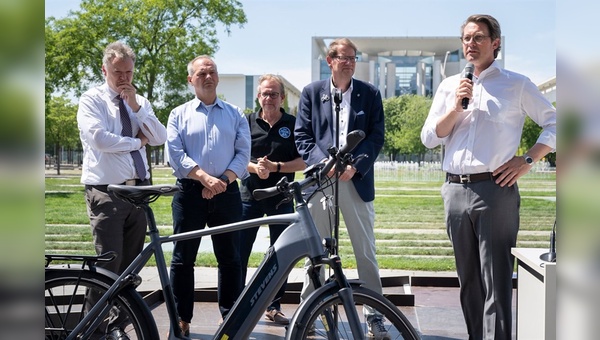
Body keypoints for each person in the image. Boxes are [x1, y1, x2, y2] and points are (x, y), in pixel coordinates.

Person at [420, 14, 556, 340]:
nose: (471, 44)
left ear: (496, 43)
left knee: (496, 282)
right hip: (454, 190)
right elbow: (429, 137)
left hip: (496, 190)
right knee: (468, 282)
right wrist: (456, 108)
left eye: (479, 37)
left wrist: (527, 159)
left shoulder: (516, 83)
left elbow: (556, 122)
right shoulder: (450, 85)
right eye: (466, 38)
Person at [294, 38, 388, 338]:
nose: (348, 62)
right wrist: (325, 163)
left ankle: (375, 318)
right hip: (321, 182)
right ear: (329, 61)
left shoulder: (369, 93)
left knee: (365, 251)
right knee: (316, 251)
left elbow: (376, 136)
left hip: (355, 181)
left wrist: (355, 165)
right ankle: (308, 314)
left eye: (353, 58)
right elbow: (303, 136)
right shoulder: (311, 93)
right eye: (342, 57)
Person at [77, 41, 167, 338]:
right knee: (107, 269)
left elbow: (159, 136)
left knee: (129, 273)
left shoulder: (138, 102)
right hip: (106, 192)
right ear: (105, 70)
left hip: (137, 195)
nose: (124, 78)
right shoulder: (92, 100)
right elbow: (100, 140)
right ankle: (91, 332)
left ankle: (116, 326)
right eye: (117, 72)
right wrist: (135, 142)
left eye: (128, 71)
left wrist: (136, 108)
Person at [166, 55, 251, 336]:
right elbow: (175, 154)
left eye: (212, 71)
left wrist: (223, 180)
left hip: (227, 193)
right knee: (182, 259)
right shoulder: (178, 114)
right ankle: (181, 318)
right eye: (201, 73)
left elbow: (243, 153)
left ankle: (229, 316)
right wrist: (203, 177)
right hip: (190, 193)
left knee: (230, 259)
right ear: (191, 79)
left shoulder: (235, 113)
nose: (208, 76)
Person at [239, 74, 306, 325]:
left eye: (274, 94)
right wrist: (257, 168)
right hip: (250, 196)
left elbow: (304, 160)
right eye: (265, 93)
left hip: (282, 197)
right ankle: (238, 303)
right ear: (258, 96)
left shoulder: (294, 123)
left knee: (280, 253)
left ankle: (274, 305)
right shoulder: (246, 122)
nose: (269, 98)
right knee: (240, 252)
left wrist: (276, 167)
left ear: (282, 97)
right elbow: (237, 156)